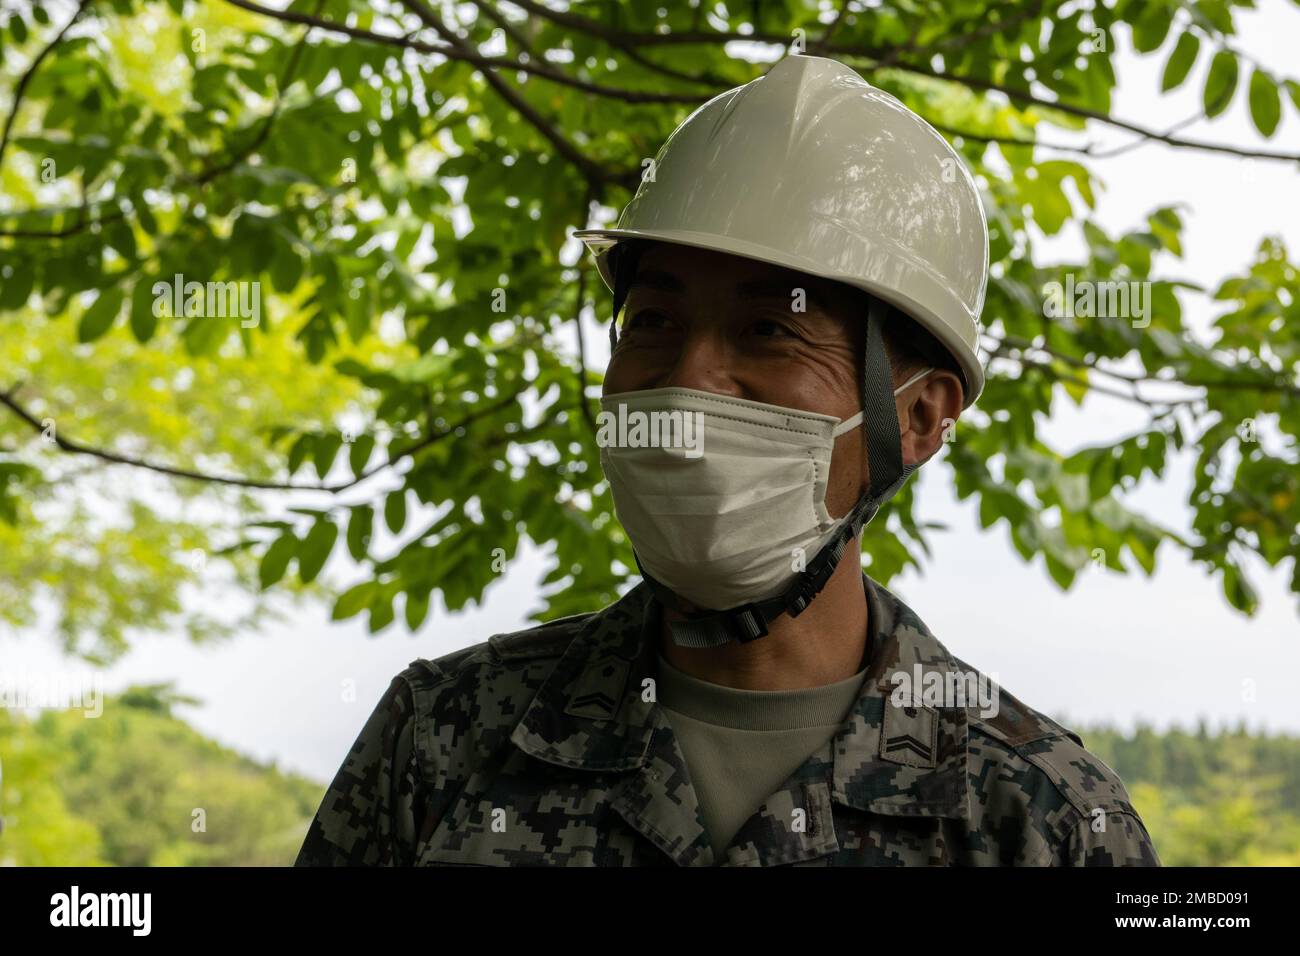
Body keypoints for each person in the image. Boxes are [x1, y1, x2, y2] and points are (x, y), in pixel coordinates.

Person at [296, 54, 1159, 867]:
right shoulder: (444, 743)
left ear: (922, 415)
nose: (687, 384)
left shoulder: (1043, 820)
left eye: (771, 331)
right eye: (653, 325)